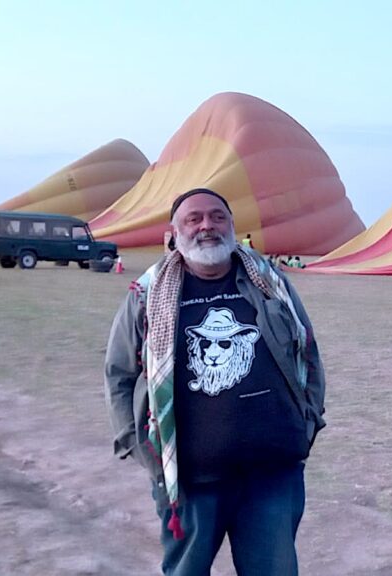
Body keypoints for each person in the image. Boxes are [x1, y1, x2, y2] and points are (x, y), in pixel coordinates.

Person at [104, 188, 326, 576]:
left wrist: (308, 419)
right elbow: (120, 374)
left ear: (232, 226)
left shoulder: (270, 284)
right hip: (191, 480)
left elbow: (306, 349)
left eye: (217, 216)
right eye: (194, 219)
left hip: (272, 473)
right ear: (173, 233)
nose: (207, 225)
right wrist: (143, 449)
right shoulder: (147, 296)